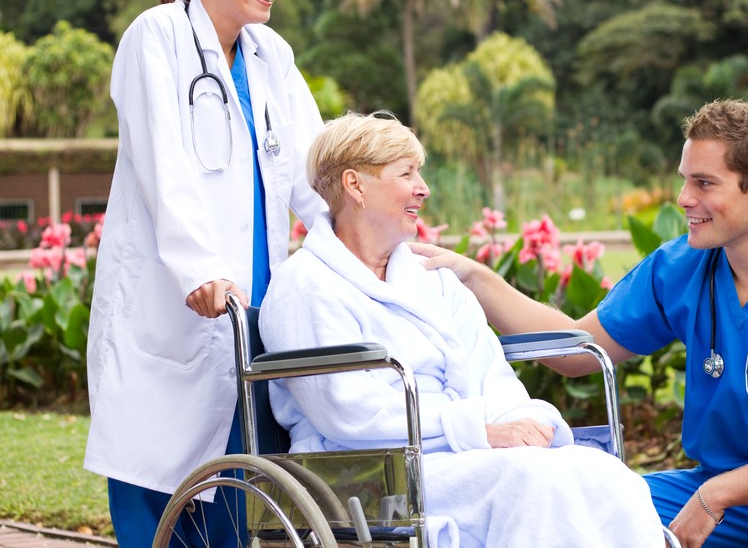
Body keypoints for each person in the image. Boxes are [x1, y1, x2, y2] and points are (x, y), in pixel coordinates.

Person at [412, 99, 748, 548]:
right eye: (684, 179)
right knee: (594, 508)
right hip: (732, 492)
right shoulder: (680, 267)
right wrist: (475, 277)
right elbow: (575, 351)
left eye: (704, 183)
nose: (683, 199)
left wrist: (717, 493)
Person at [259, 112, 667, 548]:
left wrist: (522, 423)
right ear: (355, 185)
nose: (424, 188)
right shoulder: (303, 285)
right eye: (406, 174)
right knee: (529, 482)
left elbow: (490, 373)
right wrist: (478, 431)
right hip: (367, 471)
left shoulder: (431, 279)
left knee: (607, 476)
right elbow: (349, 413)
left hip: (455, 454)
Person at [83, 0, 326, 546]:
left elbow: (310, 167)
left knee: (240, 497)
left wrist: (360, 241)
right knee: (157, 488)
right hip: (178, 301)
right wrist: (201, 270)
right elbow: (165, 165)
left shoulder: (272, 54)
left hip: (255, 307)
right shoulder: (155, 38)